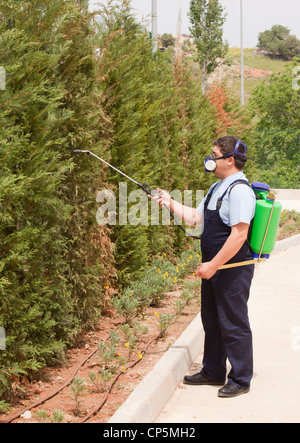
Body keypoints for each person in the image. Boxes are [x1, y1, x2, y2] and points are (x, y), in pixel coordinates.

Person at [151, 135, 256, 398]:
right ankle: (212, 371)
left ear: (229, 160)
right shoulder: (216, 187)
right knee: (212, 320)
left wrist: (213, 266)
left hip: (233, 268)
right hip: (214, 266)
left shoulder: (240, 191)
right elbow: (196, 218)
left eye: (214, 155)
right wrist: (169, 201)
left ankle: (241, 379)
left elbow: (239, 235)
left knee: (233, 322)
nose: (210, 160)